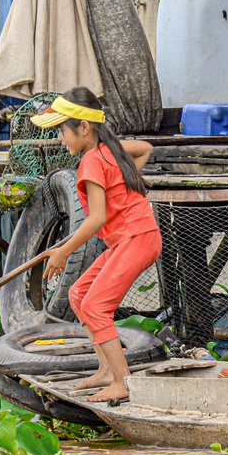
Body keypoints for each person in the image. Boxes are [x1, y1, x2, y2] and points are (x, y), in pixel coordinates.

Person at [32, 88, 160, 404]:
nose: (61, 138)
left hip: (135, 239)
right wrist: (124, 180)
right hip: (131, 239)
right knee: (78, 295)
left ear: (84, 127)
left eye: (63, 130)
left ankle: (122, 381)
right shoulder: (109, 150)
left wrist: (63, 251)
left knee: (95, 306)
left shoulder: (92, 161)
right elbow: (145, 148)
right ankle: (106, 370)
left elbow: (96, 218)